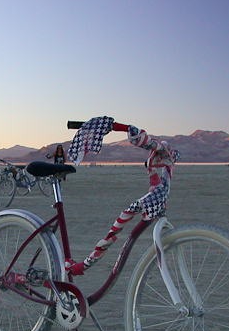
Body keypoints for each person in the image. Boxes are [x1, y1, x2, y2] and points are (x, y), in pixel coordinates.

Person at [65, 117, 179, 275]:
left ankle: (78, 267)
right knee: (126, 218)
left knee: (130, 217)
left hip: (159, 188)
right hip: (157, 188)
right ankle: (77, 267)